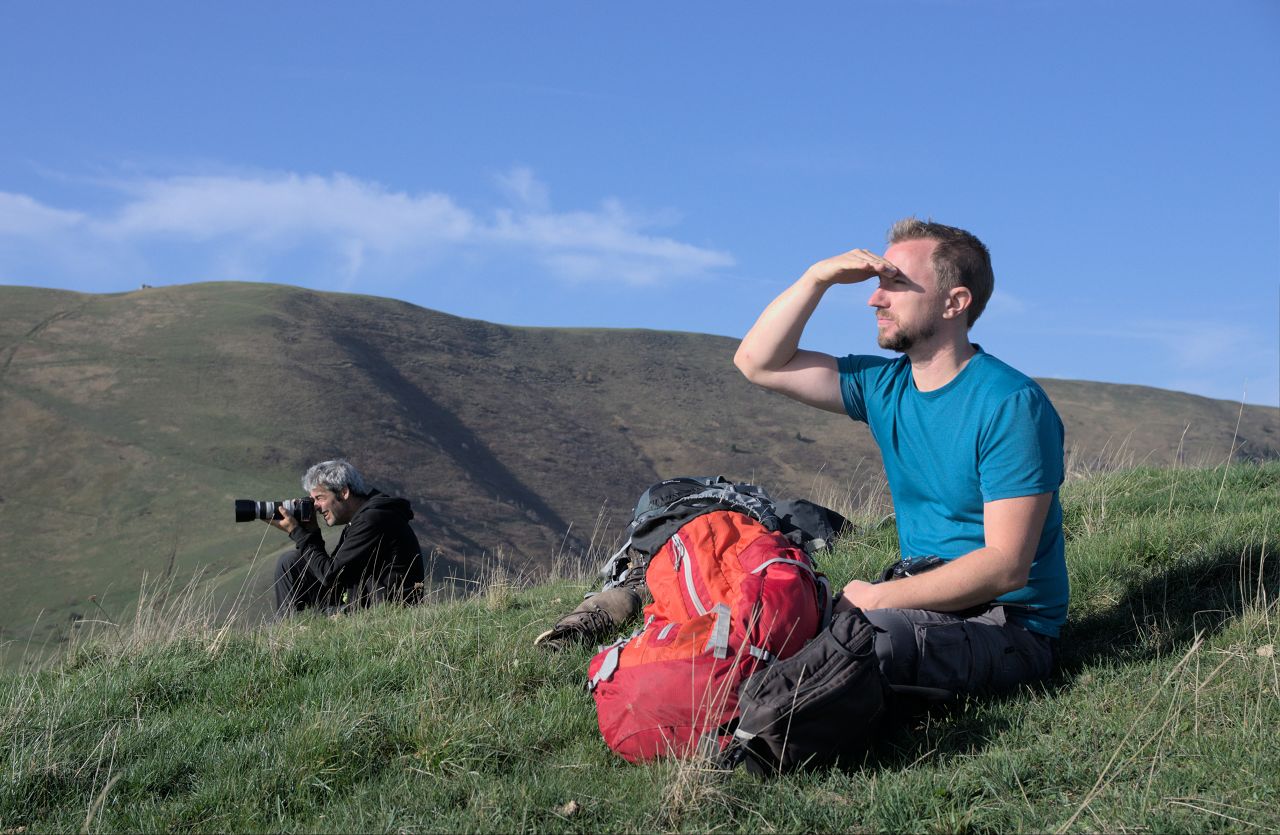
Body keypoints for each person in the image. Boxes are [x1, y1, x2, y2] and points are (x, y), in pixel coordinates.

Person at [733, 217, 1067, 698]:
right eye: (878, 284)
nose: (875, 299)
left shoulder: (1010, 404)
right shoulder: (883, 386)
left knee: (855, 649)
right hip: (919, 599)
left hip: (1008, 625)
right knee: (775, 619)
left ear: (955, 302)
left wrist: (877, 597)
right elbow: (757, 362)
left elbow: (1005, 565)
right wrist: (817, 277)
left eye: (895, 284)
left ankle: (742, 727)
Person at [268, 459, 425, 616]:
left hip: (384, 612)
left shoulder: (372, 519)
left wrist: (297, 531)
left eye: (320, 498)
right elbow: (333, 573)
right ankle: (290, 625)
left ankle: (291, 625)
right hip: (363, 605)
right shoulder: (363, 518)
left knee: (290, 563)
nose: (315, 506)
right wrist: (311, 530)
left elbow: (330, 575)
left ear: (344, 492)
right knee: (291, 561)